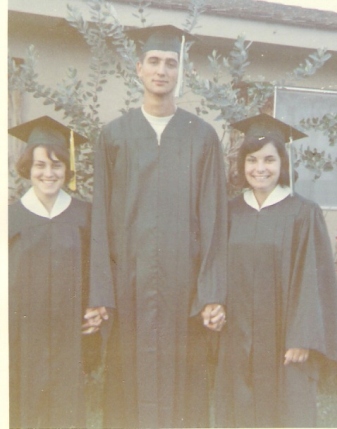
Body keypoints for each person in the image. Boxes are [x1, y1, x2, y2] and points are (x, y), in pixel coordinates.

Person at [83, 25, 228, 428]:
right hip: (129, 286)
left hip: (185, 292)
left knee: (187, 395)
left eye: (170, 63)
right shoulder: (114, 136)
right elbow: (100, 221)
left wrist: (211, 292)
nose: (162, 70)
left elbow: (215, 219)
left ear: (180, 71)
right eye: (154, 62)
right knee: (128, 392)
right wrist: (101, 292)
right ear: (139, 68)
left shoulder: (202, 137)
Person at [215, 114, 337, 428]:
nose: (260, 168)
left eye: (269, 160)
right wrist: (214, 302)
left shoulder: (303, 212)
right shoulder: (231, 211)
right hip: (238, 339)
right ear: (242, 164)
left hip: (285, 343)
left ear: (282, 163)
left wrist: (302, 337)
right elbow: (216, 266)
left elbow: (313, 280)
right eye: (252, 160)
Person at [8, 116, 93, 428]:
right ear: (28, 168)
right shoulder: (11, 219)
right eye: (40, 165)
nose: (48, 173)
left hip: (67, 335)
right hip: (22, 335)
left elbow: (95, 272)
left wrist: (95, 308)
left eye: (57, 165)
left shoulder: (84, 215)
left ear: (67, 170)